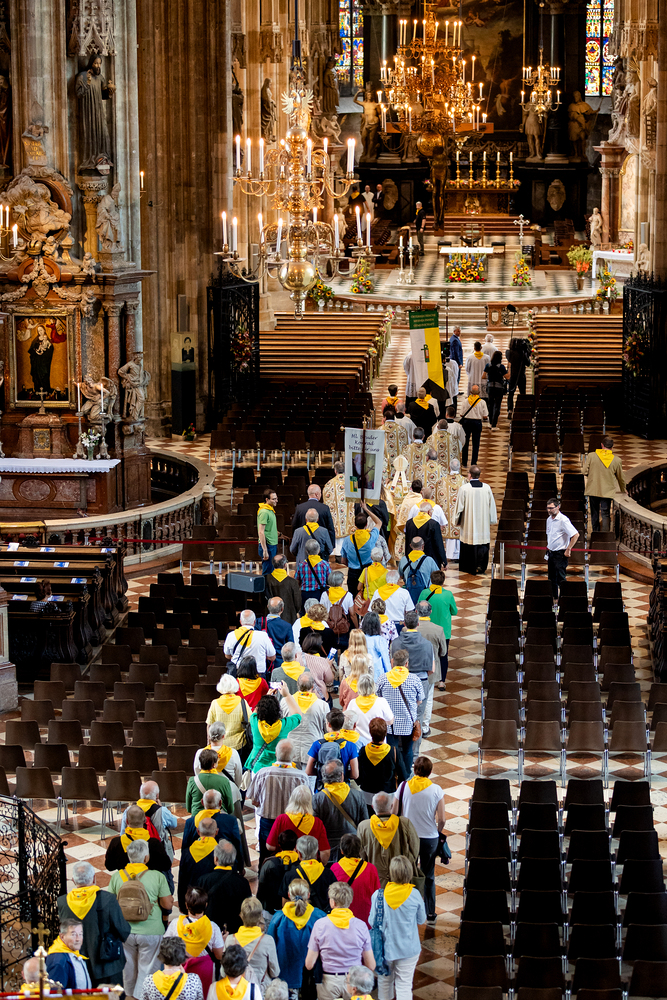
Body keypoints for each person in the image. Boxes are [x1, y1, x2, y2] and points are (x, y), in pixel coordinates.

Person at [107, 840, 173, 999]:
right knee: (148, 970)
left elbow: (111, 905)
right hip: (151, 931)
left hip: (125, 931)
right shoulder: (157, 876)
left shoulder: (116, 877)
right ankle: (142, 996)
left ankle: (129, 996)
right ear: (146, 858)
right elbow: (167, 904)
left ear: (129, 857)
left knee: (128, 970)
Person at [57, 862, 130, 987]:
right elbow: (123, 930)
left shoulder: (63, 902)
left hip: (78, 965)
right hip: (107, 964)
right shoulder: (108, 899)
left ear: (73, 880)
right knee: (112, 995)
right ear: (94, 878)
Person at [392, 757, 445, 925]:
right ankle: (430, 914)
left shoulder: (403, 787)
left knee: (408, 874)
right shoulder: (436, 790)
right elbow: (442, 819)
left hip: (408, 837)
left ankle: (409, 910)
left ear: (414, 770)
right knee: (428, 875)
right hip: (429, 838)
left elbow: (394, 813)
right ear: (430, 772)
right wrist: (438, 832)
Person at [369, 855, 426, 1000]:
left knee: (384, 983)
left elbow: (371, 921)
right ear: (409, 873)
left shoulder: (378, 896)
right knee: (404, 986)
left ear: (391, 873)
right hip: (409, 949)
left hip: (384, 949)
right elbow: (422, 920)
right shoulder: (415, 895)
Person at [305, 882, 375, 997]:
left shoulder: (320, 925)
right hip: (354, 982)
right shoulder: (361, 926)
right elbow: (371, 965)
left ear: (332, 902)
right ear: (350, 901)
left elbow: (309, 964)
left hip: (328, 982)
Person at [247, 739, 309, 865]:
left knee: (266, 858)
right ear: (293, 756)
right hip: (293, 823)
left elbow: (254, 801)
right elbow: (307, 804)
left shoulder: (263, 773)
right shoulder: (302, 777)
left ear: (276, 754)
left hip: (268, 822)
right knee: (292, 860)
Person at [268, 879, 326, 1000]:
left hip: (285, 977)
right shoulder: (319, 917)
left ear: (289, 895)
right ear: (308, 895)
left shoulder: (278, 918)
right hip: (312, 976)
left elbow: (270, 946)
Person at [164, 886, 224, 997]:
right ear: (206, 905)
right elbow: (219, 955)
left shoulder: (175, 924)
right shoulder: (213, 927)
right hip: (205, 970)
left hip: (180, 969)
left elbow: (166, 949)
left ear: (186, 905)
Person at [376, 650, 424, 781]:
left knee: (392, 750)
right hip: (408, 722)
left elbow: (378, 698)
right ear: (406, 663)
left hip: (389, 723)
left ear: (392, 662)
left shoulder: (383, 678)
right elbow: (420, 700)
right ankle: (406, 775)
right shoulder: (414, 679)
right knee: (408, 750)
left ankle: (392, 774)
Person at [357, 792, 420, 887]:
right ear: (391, 806)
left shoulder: (364, 826)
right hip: (400, 877)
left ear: (373, 807)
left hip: (375, 878)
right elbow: (415, 848)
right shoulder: (404, 823)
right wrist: (405, 865)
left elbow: (360, 853)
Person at [312, 759, 369, 861]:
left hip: (327, 851)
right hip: (352, 848)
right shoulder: (358, 796)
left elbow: (315, 828)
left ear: (324, 777)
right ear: (342, 775)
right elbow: (364, 824)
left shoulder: (317, 799)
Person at [196, 840, 252, 936]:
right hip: (235, 931)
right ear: (233, 859)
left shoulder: (203, 881)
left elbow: (197, 908)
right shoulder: (243, 882)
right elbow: (247, 909)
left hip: (210, 930)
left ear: (216, 859)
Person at [226, 897, 280, 993]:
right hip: (260, 991)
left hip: (236, 992)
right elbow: (275, 972)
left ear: (241, 915)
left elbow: (223, 972)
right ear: (260, 917)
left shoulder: (230, 940)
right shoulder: (268, 941)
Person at [121, 780, 178, 870]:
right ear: (157, 796)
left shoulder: (129, 810)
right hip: (156, 853)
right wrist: (161, 807)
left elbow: (122, 833)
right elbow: (174, 824)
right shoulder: (162, 811)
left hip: (133, 854)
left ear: (140, 794)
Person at [266, 784, 331, 861]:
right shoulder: (317, 823)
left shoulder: (282, 819)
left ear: (292, 799)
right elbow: (325, 852)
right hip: (309, 865)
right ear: (309, 802)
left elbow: (270, 846)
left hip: (286, 862)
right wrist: (321, 865)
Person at [105, 804, 172, 876]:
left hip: (125, 880)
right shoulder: (154, 844)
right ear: (145, 820)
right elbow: (166, 865)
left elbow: (109, 866)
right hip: (149, 880)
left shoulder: (116, 842)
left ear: (127, 821)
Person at [330, 833, 381, 927]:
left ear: (342, 851)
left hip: (341, 921)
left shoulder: (334, 869)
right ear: (360, 850)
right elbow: (377, 895)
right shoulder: (371, 869)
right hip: (365, 920)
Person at [279, 833, 338, 911]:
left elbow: (285, 904)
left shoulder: (290, 875)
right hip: (322, 916)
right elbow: (335, 899)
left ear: (299, 853)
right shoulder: (328, 874)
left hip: (298, 916)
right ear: (316, 851)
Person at [455, 465, 497, 575]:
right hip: (483, 524)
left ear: (469, 475)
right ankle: (481, 566)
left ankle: (468, 567)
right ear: (479, 475)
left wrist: (456, 520)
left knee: (469, 543)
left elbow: (459, 507)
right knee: (482, 544)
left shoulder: (464, 489)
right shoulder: (487, 488)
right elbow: (492, 506)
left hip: (468, 523)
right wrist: (492, 519)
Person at [247, 689, 302, 773]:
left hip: (257, 768)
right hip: (278, 769)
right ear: (278, 710)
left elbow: (255, 712)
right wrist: (287, 695)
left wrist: (266, 697)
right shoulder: (284, 725)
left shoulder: (255, 722)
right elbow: (298, 715)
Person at [583, 434, 627, 533]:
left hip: (593, 489)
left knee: (594, 513)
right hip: (607, 491)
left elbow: (584, 471)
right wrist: (623, 489)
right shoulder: (617, 460)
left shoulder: (591, 456)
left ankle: (595, 533)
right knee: (605, 513)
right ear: (612, 447)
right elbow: (620, 477)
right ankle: (605, 535)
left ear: (602, 445)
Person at [416, 578, 457, 684]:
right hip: (444, 630)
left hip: (426, 629)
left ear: (431, 580)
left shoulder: (424, 592)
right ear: (443, 581)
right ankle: (442, 681)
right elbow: (454, 611)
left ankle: (424, 678)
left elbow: (418, 607)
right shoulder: (448, 594)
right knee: (443, 655)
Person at [181, 788, 241, 858]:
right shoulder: (231, 821)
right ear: (220, 803)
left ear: (202, 802)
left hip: (197, 862)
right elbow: (237, 846)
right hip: (223, 861)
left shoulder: (190, 822)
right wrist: (240, 864)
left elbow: (185, 848)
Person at [306, 707, 360, 783]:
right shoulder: (350, 745)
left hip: (323, 787)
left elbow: (308, 771)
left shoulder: (317, 744)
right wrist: (343, 774)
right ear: (342, 724)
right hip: (342, 786)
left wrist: (323, 774)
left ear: (328, 724)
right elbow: (355, 775)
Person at [141, 936, 204, 1000]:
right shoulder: (193, 980)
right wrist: (184, 975)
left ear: (161, 956)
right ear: (183, 955)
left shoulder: (149, 981)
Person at [206, 675, 252, 761]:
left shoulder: (215, 703)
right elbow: (251, 721)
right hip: (239, 745)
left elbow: (209, 725)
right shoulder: (242, 702)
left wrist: (209, 743)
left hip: (220, 745)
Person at [289, 671, 330, 767]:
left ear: (297, 685)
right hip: (312, 751)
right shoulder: (323, 705)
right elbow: (327, 729)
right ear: (312, 686)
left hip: (290, 750)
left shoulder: (285, 702)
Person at [340, 506, 383, 596]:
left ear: (355, 525)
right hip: (368, 572)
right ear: (366, 524)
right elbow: (379, 522)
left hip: (353, 572)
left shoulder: (347, 540)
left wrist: (352, 565)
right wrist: (366, 509)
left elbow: (343, 561)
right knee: (367, 596)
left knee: (353, 597)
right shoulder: (371, 537)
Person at [258, 830, 300, 915]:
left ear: (279, 845)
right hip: (295, 910)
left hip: (271, 909)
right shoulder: (300, 864)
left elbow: (261, 886)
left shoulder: (269, 863)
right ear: (296, 845)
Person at [357, 718, 398, 805]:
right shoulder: (393, 751)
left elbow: (359, 771)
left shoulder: (364, 750)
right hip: (387, 791)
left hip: (367, 790)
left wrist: (360, 782)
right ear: (386, 733)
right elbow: (403, 773)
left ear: (370, 732)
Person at [546, 497, 580, 599]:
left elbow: (575, 535)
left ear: (558, 507)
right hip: (551, 553)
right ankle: (554, 599)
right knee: (551, 578)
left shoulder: (563, 520)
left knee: (561, 578)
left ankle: (565, 599)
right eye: (548, 508)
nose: (549, 510)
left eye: (551, 508)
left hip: (560, 554)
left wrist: (568, 548)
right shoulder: (548, 520)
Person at [224, 610, 276, 675]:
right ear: (254, 622)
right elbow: (272, 657)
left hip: (238, 672)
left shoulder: (231, 635)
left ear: (240, 622)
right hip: (258, 674)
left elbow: (227, 655)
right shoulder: (263, 636)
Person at [347, 674, 394, 745]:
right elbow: (390, 721)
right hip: (378, 744)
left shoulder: (352, 703)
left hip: (359, 743)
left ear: (359, 687)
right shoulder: (382, 701)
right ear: (373, 686)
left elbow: (348, 724)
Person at [185, 748, 234, 816]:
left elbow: (188, 808)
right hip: (218, 818)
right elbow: (230, 808)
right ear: (214, 765)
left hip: (197, 818)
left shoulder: (192, 781)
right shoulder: (224, 781)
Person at [46, 920, 92, 990]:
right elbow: (55, 992)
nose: (78, 939)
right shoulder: (58, 960)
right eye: (73, 935)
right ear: (62, 936)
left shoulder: (74, 952)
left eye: (80, 934)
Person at [194, 722, 243, 789]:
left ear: (209, 736)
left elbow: (197, 774)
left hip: (207, 791)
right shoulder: (233, 753)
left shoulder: (200, 753)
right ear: (223, 736)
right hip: (229, 789)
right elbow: (239, 776)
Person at [398, 537, 440, 606]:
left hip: (408, 594)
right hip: (426, 595)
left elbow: (401, 576)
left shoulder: (403, 560)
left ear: (410, 546)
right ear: (423, 546)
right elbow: (437, 576)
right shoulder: (429, 560)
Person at [405, 503, 447, 569]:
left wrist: (406, 558)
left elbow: (407, 542)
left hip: (412, 559)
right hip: (430, 559)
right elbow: (439, 544)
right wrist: (444, 561)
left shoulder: (409, 523)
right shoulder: (433, 524)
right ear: (429, 512)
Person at [265, 555, 303, 625]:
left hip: (270, 619)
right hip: (289, 618)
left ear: (273, 564)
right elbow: (298, 603)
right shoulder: (293, 582)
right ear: (285, 565)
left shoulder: (266, 579)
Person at [257, 598, 294, 666]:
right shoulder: (287, 626)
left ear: (268, 607)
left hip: (263, 661)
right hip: (280, 662)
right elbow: (290, 646)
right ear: (282, 609)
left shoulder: (258, 622)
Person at [459, 384, 488, 468]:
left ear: (471, 392)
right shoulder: (482, 402)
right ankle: (473, 463)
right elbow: (485, 416)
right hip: (477, 423)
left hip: (466, 422)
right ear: (479, 392)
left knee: (465, 443)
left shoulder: (465, 401)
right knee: (476, 443)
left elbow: (461, 414)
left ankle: (464, 462)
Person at [298, 633, 335, 698]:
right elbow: (329, 680)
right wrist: (328, 665)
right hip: (319, 696)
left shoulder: (297, 656)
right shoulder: (322, 661)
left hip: (301, 694)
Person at [295, 539, 331, 605]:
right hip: (320, 593)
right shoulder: (325, 564)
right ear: (319, 550)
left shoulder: (301, 565)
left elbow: (297, 581)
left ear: (306, 551)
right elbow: (329, 580)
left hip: (306, 594)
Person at [360, 612, 391, 678]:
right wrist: (390, 675)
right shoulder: (380, 640)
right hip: (377, 674)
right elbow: (385, 659)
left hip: (362, 672)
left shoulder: (361, 638)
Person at [483, 350, 508, 429]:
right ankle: (494, 424)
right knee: (497, 405)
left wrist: (489, 378)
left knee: (490, 405)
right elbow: (507, 377)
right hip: (499, 388)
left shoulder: (488, 365)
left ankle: (490, 422)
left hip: (490, 387)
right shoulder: (501, 367)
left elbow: (483, 376)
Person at [257, 489, 279, 575]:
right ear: (267, 499)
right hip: (268, 545)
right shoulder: (264, 512)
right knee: (268, 573)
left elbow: (269, 528)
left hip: (272, 544)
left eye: (276, 498)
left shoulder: (270, 510)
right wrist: (265, 550)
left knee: (272, 571)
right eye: (273, 499)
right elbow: (261, 532)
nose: (276, 501)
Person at [506, 337, 529, 414]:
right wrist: (526, 351)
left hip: (513, 375)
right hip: (521, 375)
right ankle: (522, 408)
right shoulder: (523, 353)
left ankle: (510, 409)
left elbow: (509, 357)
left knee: (511, 394)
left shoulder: (509, 353)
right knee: (523, 393)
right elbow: (528, 363)